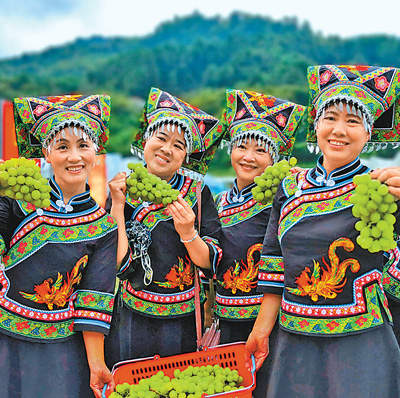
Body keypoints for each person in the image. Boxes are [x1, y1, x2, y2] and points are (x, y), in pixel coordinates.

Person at [246, 65, 400, 397]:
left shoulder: (384, 189)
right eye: (330, 118)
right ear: (316, 126)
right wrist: (261, 329)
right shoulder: (289, 186)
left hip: (361, 341)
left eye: (353, 121)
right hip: (293, 339)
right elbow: (274, 263)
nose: (339, 130)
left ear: (369, 133)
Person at [0, 94, 118, 398]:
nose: (74, 156)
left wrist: (96, 364)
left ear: (96, 152)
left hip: (62, 351)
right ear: (47, 153)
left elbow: (94, 299)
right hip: (5, 339)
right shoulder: (17, 201)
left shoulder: (103, 226)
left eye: (83, 146)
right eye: (62, 147)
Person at [105, 87, 224, 367]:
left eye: (179, 145)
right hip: (132, 316)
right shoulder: (122, 188)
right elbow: (118, 263)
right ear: (145, 140)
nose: (167, 149)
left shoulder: (197, 193)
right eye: (161, 138)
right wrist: (118, 208)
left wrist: (188, 234)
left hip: (182, 320)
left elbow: (211, 262)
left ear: (186, 157)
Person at [214, 89, 305, 396]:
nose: (248, 157)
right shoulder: (216, 201)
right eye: (241, 146)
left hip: (272, 320)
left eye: (261, 150)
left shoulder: (287, 198)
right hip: (226, 322)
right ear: (230, 151)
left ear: (275, 158)